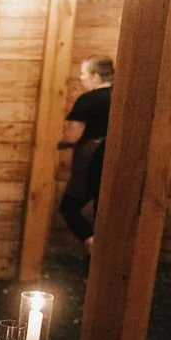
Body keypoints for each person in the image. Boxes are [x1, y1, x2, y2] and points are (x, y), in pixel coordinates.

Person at [58, 55, 113, 254]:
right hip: (117, 163)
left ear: (96, 77)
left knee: (69, 207)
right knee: (104, 211)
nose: (81, 78)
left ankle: (93, 246)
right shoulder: (121, 97)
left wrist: (57, 143)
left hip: (92, 159)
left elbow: (73, 137)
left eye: (83, 74)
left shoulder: (88, 100)